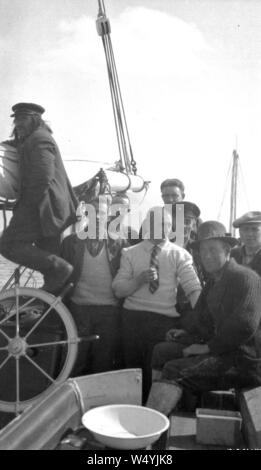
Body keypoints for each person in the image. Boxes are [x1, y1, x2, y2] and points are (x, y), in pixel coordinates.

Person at [146, 221, 261, 416]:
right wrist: (187, 333)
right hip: (220, 353)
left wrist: (206, 348)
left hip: (241, 361)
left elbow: (245, 325)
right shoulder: (213, 281)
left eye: (213, 250)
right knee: (161, 351)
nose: (206, 256)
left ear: (227, 251)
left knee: (174, 370)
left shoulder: (245, 278)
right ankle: (162, 412)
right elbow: (202, 320)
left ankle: (151, 427)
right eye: (202, 251)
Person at [112, 206, 202, 401]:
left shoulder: (180, 254)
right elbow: (118, 290)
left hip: (163, 322)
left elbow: (193, 289)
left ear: (171, 229)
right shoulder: (130, 252)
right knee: (131, 371)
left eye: (165, 224)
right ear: (146, 225)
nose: (160, 228)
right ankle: (129, 412)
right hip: (132, 320)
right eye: (155, 223)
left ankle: (151, 415)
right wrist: (139, 280)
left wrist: (204, 321)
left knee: (155, 373)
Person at [0, 103, 78, 293]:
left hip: (44, 208)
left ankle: (62, 268)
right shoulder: (35, 138)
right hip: (53, 210)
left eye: (22, 119)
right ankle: (49, 315)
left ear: (34, 118)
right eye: (16, 119)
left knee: (8, 244)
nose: (17, 124)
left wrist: (23, 210)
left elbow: (42, 178)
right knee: (50, 273)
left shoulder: (40, 140)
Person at [61, 196, 128, 376]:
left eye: (101, 212)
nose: (97, 216)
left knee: (103, 362)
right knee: (75, 360)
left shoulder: (121, 245)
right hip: (78, 310)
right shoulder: (69, 243)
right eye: (92, 211)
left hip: (109, 311)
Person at [231, 211, 261, 276]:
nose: (249, 234)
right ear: (240, 233)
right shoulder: (232, 255)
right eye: (245, 229)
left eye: (255, 229)